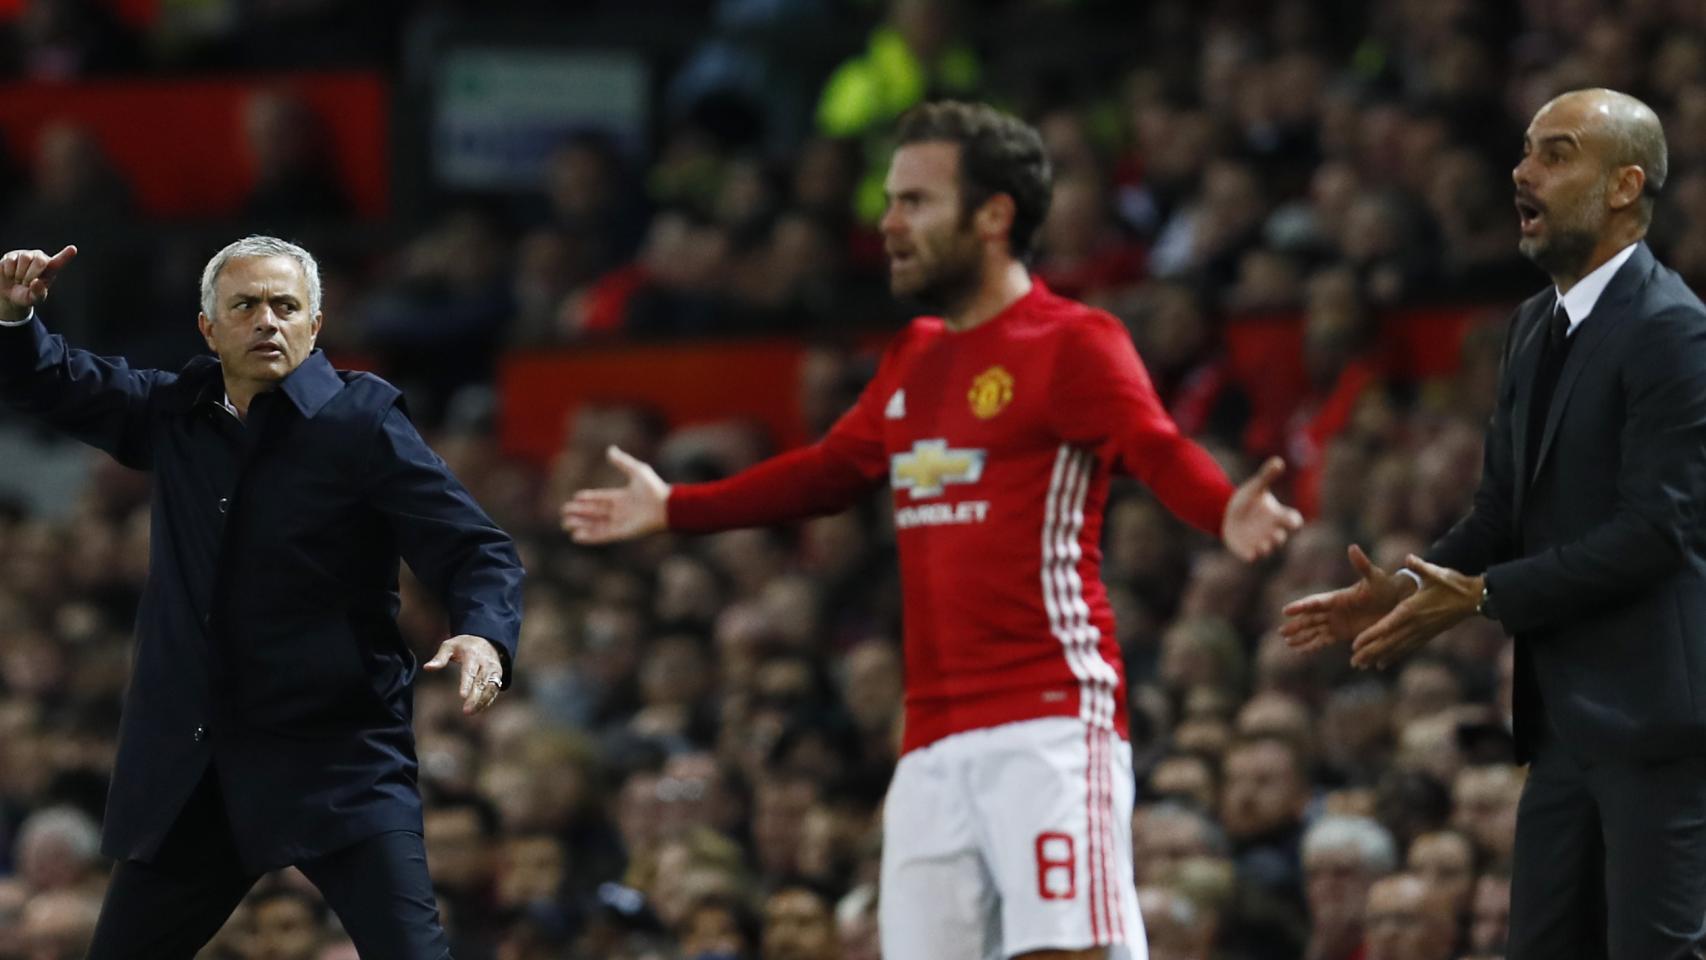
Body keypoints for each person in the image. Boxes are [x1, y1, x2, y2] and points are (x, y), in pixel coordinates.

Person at [564, 100, 1303, 960]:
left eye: (916, 201)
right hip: (930, 741)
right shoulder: (914, 354)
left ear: (993, 216)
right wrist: (677, 506)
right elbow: (829, 472)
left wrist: (1222, 508)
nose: (889, 223)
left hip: (1051, 717)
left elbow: (1155, 445)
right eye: (889, 200)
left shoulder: (1073, 342)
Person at [0, 235, 525, 957]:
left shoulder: (362, 423)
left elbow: (476, 548)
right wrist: (14, 316)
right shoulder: (177, 411)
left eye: (286, 306)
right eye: (245, 306)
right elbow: (59, 380)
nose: (267, 322)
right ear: (209, 329)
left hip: (337, 760)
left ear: (316, 326)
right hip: (197, 770)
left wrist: (484, 635)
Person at [1282, 88, 1706, 958]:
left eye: (1556, 154)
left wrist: (1481, 599)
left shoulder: (1673, 330)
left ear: (1626, 185)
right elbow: (1501, 513)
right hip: (1560, 724)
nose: (1522, 172)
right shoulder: (1527, 328)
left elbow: (1657, 531)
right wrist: (1407, 585)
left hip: (1657, 723)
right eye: (1523, 151)